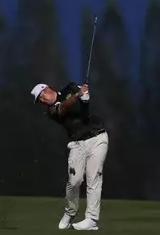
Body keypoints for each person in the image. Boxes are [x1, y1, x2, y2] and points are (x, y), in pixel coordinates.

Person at [31, 81, 108, 231]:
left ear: (47, 89)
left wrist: (85, 97)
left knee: (94, 178)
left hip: (98, 137)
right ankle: (70, 211)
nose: (42, 101)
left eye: (41, 96)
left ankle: (91, 219)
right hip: (77, 143)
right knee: (75, 181)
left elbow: (82, 110)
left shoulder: (69, 88)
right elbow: (64, 108)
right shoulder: (51, 111)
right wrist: (79, 96)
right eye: (39, 101)